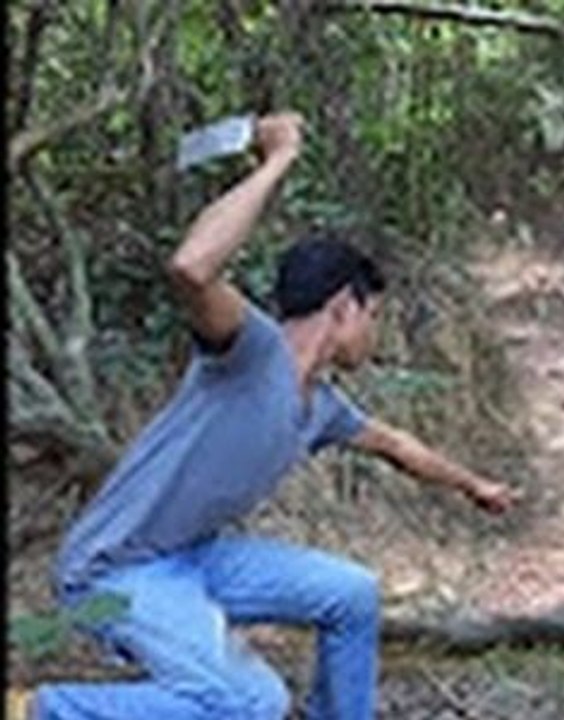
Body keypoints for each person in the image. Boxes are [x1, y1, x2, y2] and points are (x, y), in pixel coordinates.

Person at [15, 112, 517, 720]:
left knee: (352, 595)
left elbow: (399, 447)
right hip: (108, 581)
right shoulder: (251, 351)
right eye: (374, 315)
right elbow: (191, 268)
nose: (376, 334)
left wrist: (474, 486)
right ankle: (40, 710)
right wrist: (277, 160)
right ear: (342, 308)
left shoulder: (323, 407)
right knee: (251, 701)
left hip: (191, 560)